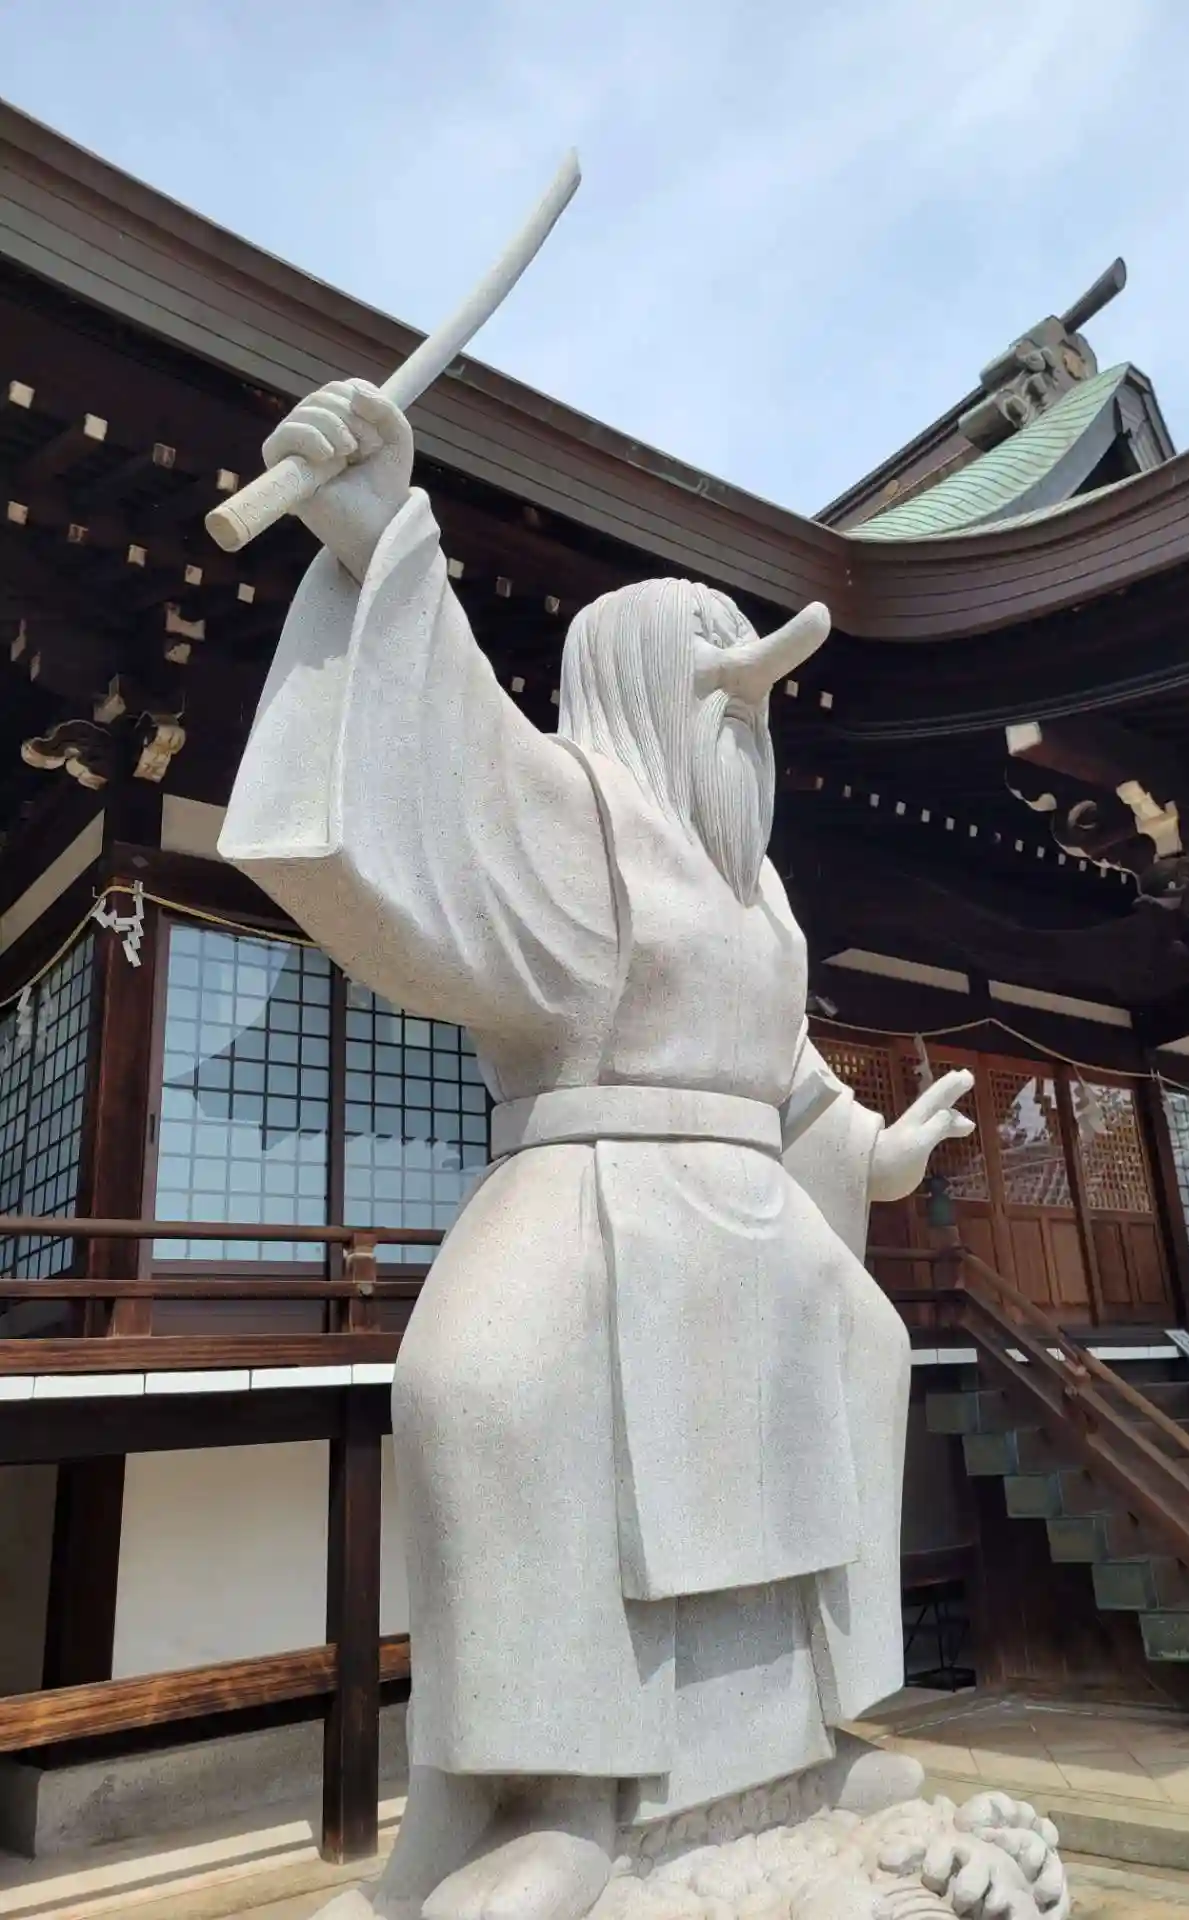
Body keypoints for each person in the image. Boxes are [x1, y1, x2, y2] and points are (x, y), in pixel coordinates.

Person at [219, 380, 974, 1920]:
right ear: (634, 689)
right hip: (595, 1198)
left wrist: (872, 1154)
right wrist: (384, 541)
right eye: (719, 696)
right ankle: (552, 1793)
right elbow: (458, 764)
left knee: (863, 1350)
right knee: (487, 1397)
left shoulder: (762, 896)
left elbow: (785, 1074)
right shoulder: (576, 814)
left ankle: (793, 1747)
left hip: (754, 1224)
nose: (743, 728)